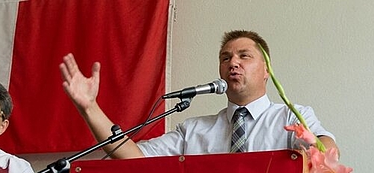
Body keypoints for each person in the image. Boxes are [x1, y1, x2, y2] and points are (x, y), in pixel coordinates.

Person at [59, 30, 337, 157]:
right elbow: (132, 156)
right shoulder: (194, 131)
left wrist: (318, 149)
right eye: (225, 58)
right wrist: (89, 107)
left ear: (267, 70)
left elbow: (328, 150)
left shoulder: (289, 116)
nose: (233, 63)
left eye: (244, 56)